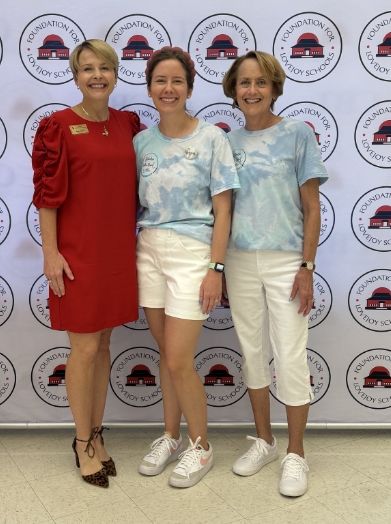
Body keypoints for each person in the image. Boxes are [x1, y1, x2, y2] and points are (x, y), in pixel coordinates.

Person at [32, 39, 140, 488]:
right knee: (84, 349)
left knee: (104, 348)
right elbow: (46, 196)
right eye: (87, 68)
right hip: (76, 254)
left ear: (116, 74)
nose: (97, 75)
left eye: (106, 68)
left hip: (118, 253)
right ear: (75, 76)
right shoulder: (57, 126)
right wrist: (50, 252)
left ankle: (97, 432)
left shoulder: (128, 124)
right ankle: (82, 443)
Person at [222, 51, 328, 496]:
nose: (252, 90)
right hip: (240, 260)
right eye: (244, 83)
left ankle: (296, 453)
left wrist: (307, 266)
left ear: (275, 87)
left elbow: (311, 208)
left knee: (290, 355)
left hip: (287, 261)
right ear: (233, 90)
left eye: (261, 82)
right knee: (251, 352)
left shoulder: (298, 134)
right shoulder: (226, 142)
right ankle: (264, 440)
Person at [134, 47, 240, 488]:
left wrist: (216, 267)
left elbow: (224, 209)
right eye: (161, 81)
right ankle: (171, 436)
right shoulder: (141, 142)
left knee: (179, 359)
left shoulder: (212, 138)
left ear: (190, 88)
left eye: (177, 81)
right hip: (148, 250)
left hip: (193, 255)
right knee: (165, 356)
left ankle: (202, 446)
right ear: (149, 88)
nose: (169, 88)